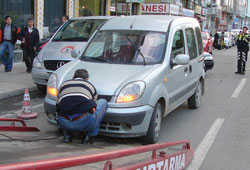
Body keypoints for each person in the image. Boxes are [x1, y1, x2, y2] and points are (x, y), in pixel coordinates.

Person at [56, 69, 108, 144]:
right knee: (103, 102)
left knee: (67, 109)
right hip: (82, 122)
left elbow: (57, 104)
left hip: (63, 123)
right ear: (86, 79)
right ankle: (89, 137)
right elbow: (94, 105)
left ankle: (67, 135)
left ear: (73, 77)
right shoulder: (89, 85)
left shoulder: (63, 85)